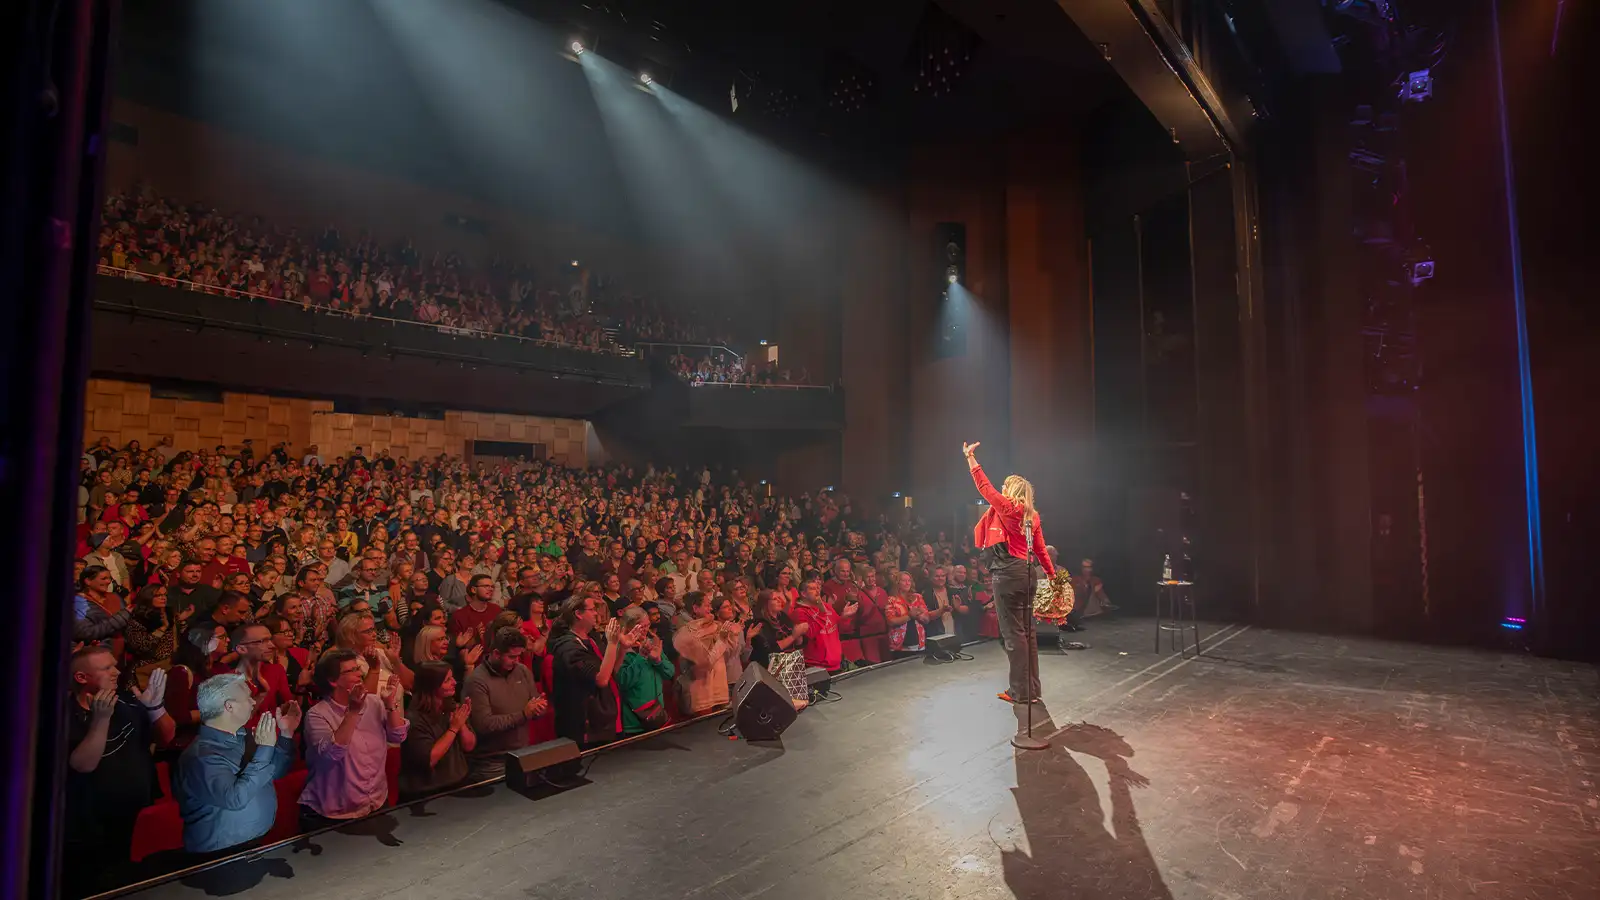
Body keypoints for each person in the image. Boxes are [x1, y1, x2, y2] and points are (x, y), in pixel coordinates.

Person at [64, 648, 173, 898]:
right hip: (93, 824)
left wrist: (155, 707)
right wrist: (101, 719)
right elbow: (83, 765)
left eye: (115, 665)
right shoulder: (65, 715)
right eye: (106, 668)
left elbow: (166, 737)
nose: (117, 672)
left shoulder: (126, 700)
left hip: (139, 811)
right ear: (82, 678)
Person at [963, 441, 1055, 705]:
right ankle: (1033, 690)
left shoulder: (1008, 508)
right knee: (1029, 633)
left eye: (1005, 489)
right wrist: (1050, 575)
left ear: (1010, 491)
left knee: (1013, 635)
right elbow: (1040, 550)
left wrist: (970, 458)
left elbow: (983, 486)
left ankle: (1020, 692)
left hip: (1007, 574)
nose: (1001, 492)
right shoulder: (1033, 516)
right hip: (1028, 574)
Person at [175, 673, 301, 855]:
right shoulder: (200, 757)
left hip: (255, 845)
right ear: (229, 706)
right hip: (221, 856)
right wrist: (265, 748)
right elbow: (235, 798)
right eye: (247, 698)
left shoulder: (245, 738)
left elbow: (275, 772)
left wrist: (286, 733)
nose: (252, 703)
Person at [300, 648, 409, 824]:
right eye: (351, 671)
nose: (360, 673)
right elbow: (332, 754)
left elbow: (398, 736)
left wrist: (390, 705)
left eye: (358, 668)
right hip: (335, 813)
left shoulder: (373, 702)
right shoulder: (317, 715)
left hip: (375, 801)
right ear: (333, 681)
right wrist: (353, 711)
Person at [463, 627, 546, 780]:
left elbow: (533, 704)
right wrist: (523, 714)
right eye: (511, 657)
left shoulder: (522, 671)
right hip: (492, 764)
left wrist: (538, 708)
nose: (516, 661)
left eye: (519, 656)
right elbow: (484, 724)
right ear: (496, 653)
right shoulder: (477, 681)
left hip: (523, 755)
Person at [548, 596, 626, 750]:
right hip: (583, 725)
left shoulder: (591, 640)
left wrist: (622, 648)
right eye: (592, 609)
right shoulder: (568, 647)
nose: (597, 613)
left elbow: (610, 673)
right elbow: (601, 680)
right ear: (578, 613)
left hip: (601, 719)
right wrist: (612, 643)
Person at [399, 661, 477, 800]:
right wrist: (453, 729)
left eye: (452, 678)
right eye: (447, 680)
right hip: (428, 793)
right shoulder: (414, 719)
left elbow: (469, 746)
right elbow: (429, 760)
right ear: (431, 685)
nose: (454, 682)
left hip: (458, 785)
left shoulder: (452, 706)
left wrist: (461, 724)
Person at [614, 607, 674, 735]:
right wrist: (641, 657)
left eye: (648, 625)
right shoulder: (621, 649)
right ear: (630, 627)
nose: (646, 630)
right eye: (642, 626)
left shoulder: (652, 643)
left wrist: (657, 660)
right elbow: (623, 682)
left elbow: (669, 673)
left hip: (656, 714)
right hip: (634, 720)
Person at [672, 591, 730, 716]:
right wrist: (721, 640)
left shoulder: (715, 627)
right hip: (702, 698)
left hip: (718, 694)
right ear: (695, 608)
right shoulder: (687, 632)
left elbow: (728, 656)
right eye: (707, 605)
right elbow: (706, 663)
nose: (711, 609)